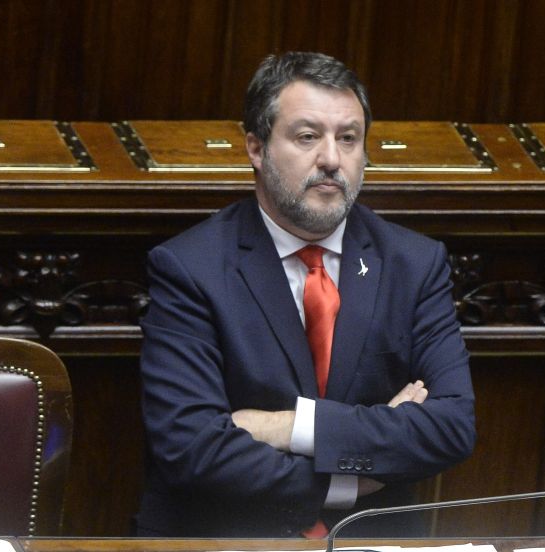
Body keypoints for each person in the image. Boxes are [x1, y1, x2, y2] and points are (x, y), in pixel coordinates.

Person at [135, 51, 476, 538]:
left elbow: (451, 427)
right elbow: (192, 446)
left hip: (372, 541)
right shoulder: (190, 267)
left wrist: (290, 427)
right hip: (229, 540)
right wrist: (346, 482)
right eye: (308, 137)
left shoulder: (413, 264)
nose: (332, 159)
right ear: (256, 148)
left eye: (349, 138)